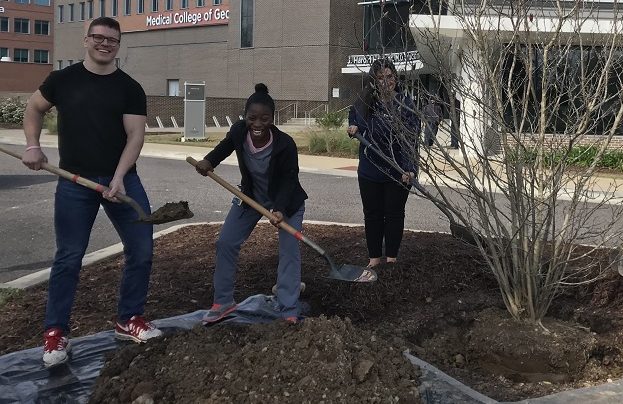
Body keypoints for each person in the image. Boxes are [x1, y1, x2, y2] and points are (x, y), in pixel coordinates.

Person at [21, 17, 162, 368]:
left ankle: (128, 319)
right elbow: (33, 108)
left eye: (111, 39)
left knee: (142, 249)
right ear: (86, 40)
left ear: (118, 44)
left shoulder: (129, 87)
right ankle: (55, 333)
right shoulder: (62, 80)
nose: (104, 43)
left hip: (122, 180)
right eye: (98, 37)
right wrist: (33, 145)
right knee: (69, 256)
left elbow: (135, 136)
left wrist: (118, 177)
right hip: (74, 181)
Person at [194, 83, 308, 323]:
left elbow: (289, 180)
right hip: (251, 198)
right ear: (245, 117)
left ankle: (288, 308)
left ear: (272, 119)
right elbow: (224, 147)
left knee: (289, 251)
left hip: (286, 203)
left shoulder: (285, 144)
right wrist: (208, 161)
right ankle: (223, 302)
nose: (257, 124)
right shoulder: (238, 132)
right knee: (226, 241)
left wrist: (279, 209)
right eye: (252, 118)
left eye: (264, 119)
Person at [347, 59, 420, 268]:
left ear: (395, 79)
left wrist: (410, 168)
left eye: (389, 77)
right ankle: (374, 258)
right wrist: (352, 127)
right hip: (370, 170)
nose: (385, 81)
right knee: (372, 214)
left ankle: (392, 258)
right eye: (380, 78)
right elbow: (354, 118)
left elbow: (411, 139)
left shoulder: (405, 104)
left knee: (394, 213)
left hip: (397, 171)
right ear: (373, 80)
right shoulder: (364, 102)